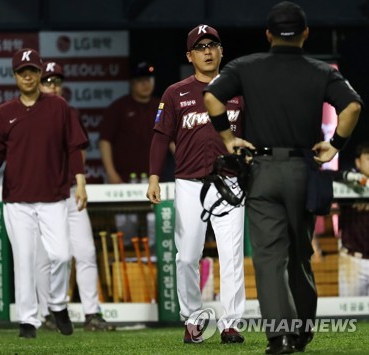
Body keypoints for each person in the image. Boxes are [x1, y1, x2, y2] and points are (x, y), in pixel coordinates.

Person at [203, 2, 363, 353]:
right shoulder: (321, 71)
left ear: (268, 35)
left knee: (269, 257)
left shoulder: (246, 66)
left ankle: (281, 336)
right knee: (300, 255)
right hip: (303, 170)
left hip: (262, 171)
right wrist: (335, 144)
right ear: (305, 33)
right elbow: (352, 106)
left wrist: (229, 139)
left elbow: (212, 96)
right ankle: (302, 331)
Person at [146, 25, 246, 345]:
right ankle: (192, 319)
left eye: (212, 45)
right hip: (189, 183)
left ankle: (231, 324)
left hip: (230, 182)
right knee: (187, 256)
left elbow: (252, 134)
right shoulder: (176, 92)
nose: (207, 51)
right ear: (189, 55)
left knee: (231, 256)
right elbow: (161, 137)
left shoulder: (239, 90)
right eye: (200, 46)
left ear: (221, 51)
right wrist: (153, 177)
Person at [0, 48, 88, 339]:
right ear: (14, 75)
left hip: (54, 195)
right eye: (21, 71)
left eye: (32, 70)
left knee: (61, 255)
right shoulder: (5, 111)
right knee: (25, 260)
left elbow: (74, 146)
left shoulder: (59, 106)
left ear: (40, 72)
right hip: (17, 198)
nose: (27, 76)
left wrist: (79, 181)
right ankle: (28, 320)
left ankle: (57, 304)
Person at [35, 61, 115, 331]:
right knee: (48, 257)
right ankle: (47, 313)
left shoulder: (69, 111)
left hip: (69, 192)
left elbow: (78, 152)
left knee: (86, 252)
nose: (52, 86)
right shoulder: (28, 112)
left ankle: (92, 313)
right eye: (47, 81)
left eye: (56, 81)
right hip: (43, 196)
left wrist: (78, 181)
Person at [99, 61, 159, 184]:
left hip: (156, 178)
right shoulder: (118, 107)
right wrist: (111, 174)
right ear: (131, 83)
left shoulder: (161, 106)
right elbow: (105, 141)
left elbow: (170, 140)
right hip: (123, 178)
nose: (145, 84)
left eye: (148, 79)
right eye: (140, 80)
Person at [337, 142, 369, 296]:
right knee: (352, 318)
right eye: (368, 157)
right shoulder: (349, 183)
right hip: (353, 261)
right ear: (358, 161)